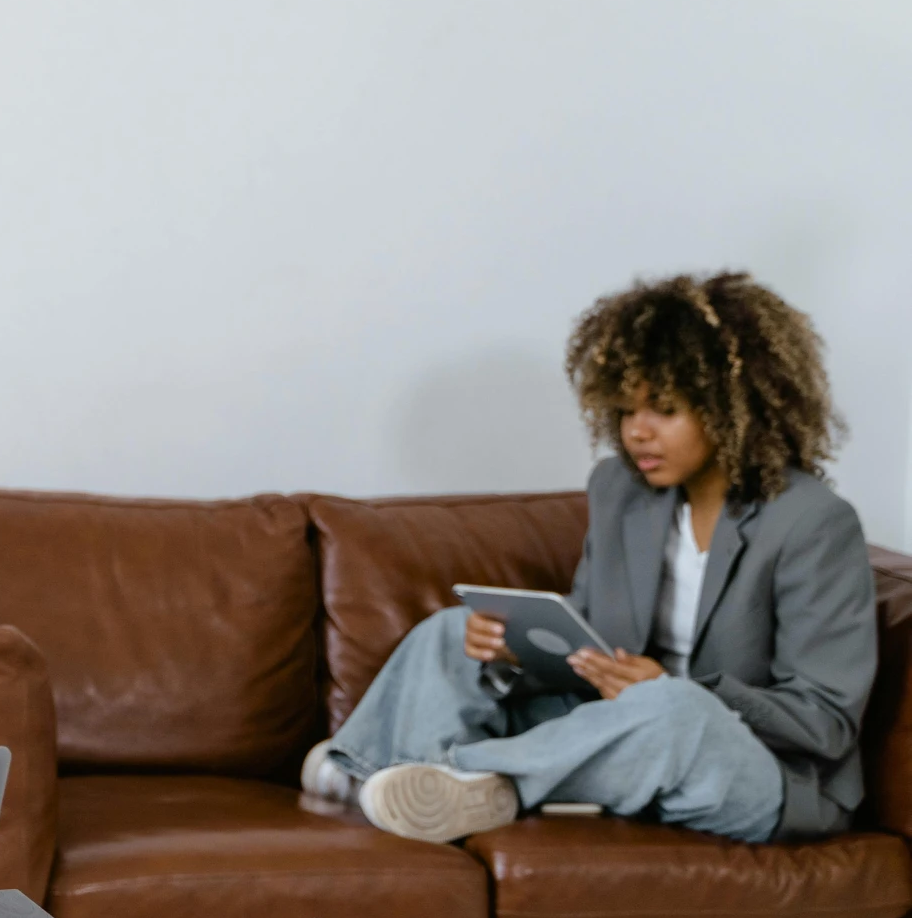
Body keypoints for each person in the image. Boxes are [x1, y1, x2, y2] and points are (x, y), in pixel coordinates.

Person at [304, 271, 874, 846]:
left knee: (673, 707)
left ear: (733, 409)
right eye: (626, 411)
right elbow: (594, 635)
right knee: (454, 634)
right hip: (618, 731)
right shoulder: (619, 490)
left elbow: (824, 721)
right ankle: (440, 786)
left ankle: (415, 772)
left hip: (754, 768)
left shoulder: (812, 523)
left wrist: (689, 690)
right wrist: (518, 650)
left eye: (664, 410)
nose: (637, 434)